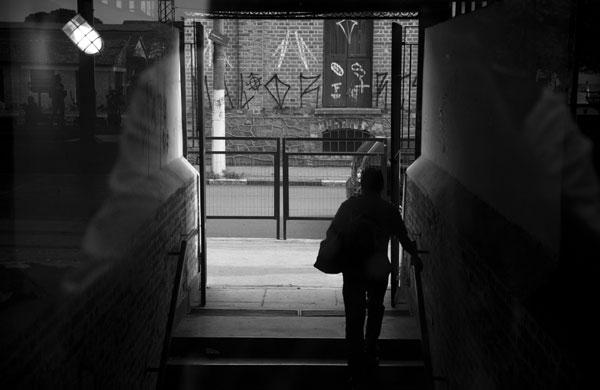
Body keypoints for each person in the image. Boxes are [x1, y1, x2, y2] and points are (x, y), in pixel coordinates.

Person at [328, 167, 418, 388]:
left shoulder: (349, 207)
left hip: (353, 268)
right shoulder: (388, 210)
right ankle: (371, 349)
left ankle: (354, 361)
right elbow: (403, 238)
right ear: (382, 186)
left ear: (363, 184)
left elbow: (332, 233)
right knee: (375, 308)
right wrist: (416, 257)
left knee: (354, 314)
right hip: (378, 267)